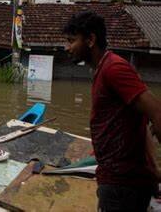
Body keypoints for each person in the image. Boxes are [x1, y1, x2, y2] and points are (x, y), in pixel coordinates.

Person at [64, 11, 161, 211]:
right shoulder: (102, 69)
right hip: (114, 178)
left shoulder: (114, 69)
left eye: (71, 41)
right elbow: (141, 121)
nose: (67, 48)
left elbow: (156, 112)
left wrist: (154, 170)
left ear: (91, 40)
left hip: (123, 184)